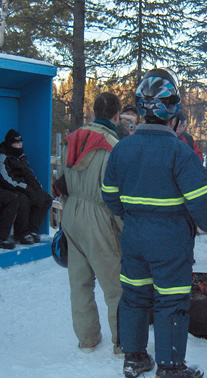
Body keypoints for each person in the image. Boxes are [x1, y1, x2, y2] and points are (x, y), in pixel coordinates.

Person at [102, 68, 207, 378]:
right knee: (171, 300)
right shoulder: (180, 152)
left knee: (135, 296)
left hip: (134, 235)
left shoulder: (121, 150)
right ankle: (170, 366)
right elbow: (200, 198)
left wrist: (131, 216)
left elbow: (109, 195)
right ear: (174, 115)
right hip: (170, 239)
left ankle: (135, 357)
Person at [57, 92, 124, 356]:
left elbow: (61, 180)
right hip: (99, 214)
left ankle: (87, 339)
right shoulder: (112, 145)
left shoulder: (70, 139)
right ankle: (123, 343)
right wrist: (125, 229)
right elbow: (115, 194)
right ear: (117, 116)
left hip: (71, 210)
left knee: (79, 280)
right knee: (115, 285)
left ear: (94, 112)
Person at [0, 129, 53, 245]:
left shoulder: (21, 158)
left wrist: (37, 188)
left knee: (45, 198)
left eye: (21, 143)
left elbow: (29, 175)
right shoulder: (2, 158)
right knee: (23, 199)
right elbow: (6, 180)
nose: (19, 145)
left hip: (21, 187)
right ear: (10, 143)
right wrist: (26, 188)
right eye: (16, 143)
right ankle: (21, 233)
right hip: (4, 188)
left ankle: (31, 229)